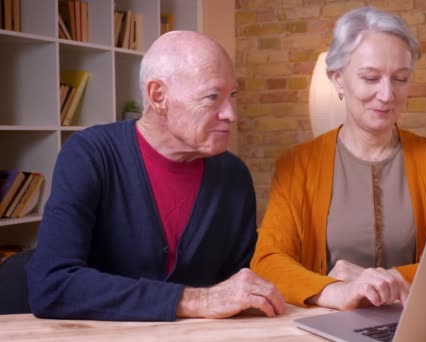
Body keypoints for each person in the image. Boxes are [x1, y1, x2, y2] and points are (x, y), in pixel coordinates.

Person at [26, 31, 285, 321]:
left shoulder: (234, 176)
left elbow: (236, 291)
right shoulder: (90, 155)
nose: (231, 114)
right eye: (213, 97)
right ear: (158, 96)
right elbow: (52, 286)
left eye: (233, 95)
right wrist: (193, 300)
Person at [251, 7, 426, 311]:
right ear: (338, 79)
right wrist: (336, 292)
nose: (387, 94)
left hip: (419, 324)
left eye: (400, 78)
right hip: (329, 326)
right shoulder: (297, 166)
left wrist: (386, 279)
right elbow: (267, 262)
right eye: (371, 78)